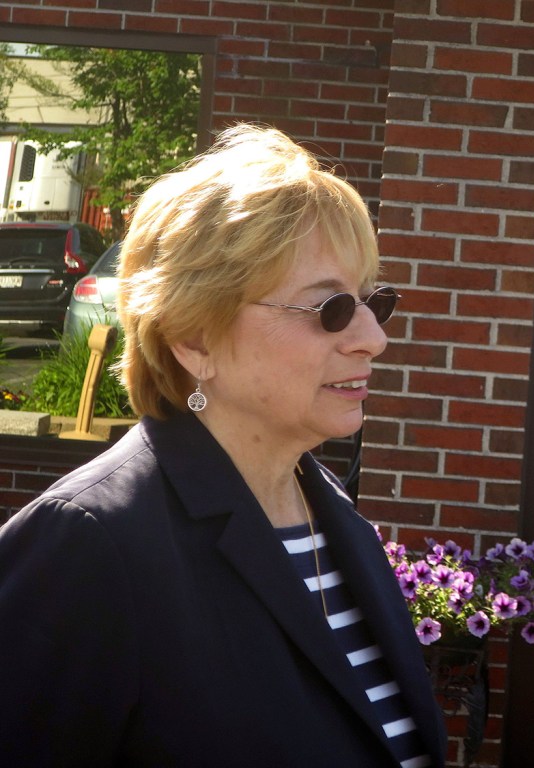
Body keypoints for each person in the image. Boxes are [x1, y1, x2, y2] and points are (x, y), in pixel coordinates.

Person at [0, 124, 446, 767]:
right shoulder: (91, 542)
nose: (373, 338)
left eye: (372, 301)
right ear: (195, 340)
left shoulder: (337, 520)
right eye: (330, 310)